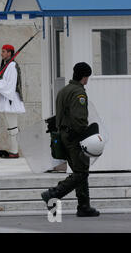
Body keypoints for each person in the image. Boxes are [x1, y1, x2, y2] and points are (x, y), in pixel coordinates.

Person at [41, 62, 100, 217]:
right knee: (81, 173)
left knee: (80, 170)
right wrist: (85, 135)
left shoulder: (63, 91)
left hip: (63, 136)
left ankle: (84, 206)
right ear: (84, 77)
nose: (87, 80)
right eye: (87, 77)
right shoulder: (78, 93)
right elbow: (79, 119)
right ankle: (53, 194)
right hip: (74, 137)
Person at [0, 44, 25, 158]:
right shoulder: (7, 65)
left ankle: (15, 152)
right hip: (8, 100)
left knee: (13, 127)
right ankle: (13, 150)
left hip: (11, 100)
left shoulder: (12, 66)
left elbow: (10, 84)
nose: (2, 53)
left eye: (4, 51)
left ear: (9, 53)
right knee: (11, 127)